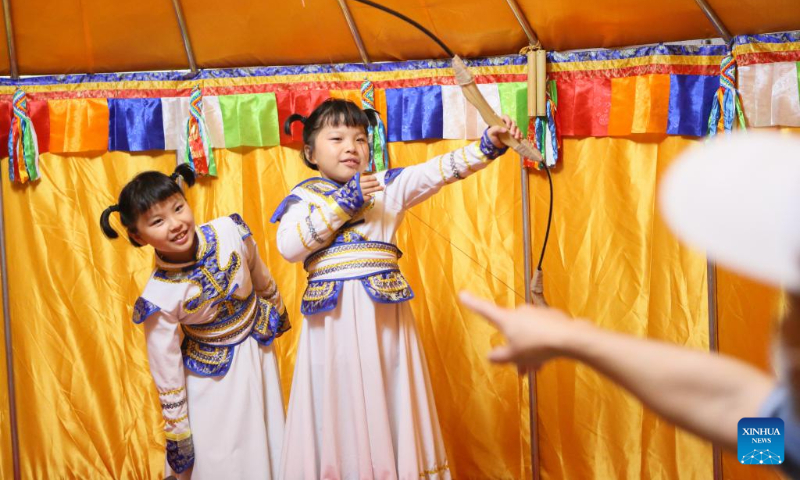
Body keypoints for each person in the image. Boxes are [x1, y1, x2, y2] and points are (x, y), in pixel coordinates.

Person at [460, 132, 800, 477]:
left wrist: (571, 338)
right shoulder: (788, 436)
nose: (785, 327)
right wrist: (571, 337)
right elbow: (734, 409)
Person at [271, 98, 522, 479]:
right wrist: (343, 203)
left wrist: (489, 144)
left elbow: (440, 170)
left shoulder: (387, 186)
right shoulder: (302, 200)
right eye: (336, 138)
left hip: (383, 322)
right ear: (310, 151)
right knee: (335, 404)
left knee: (388, 395)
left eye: (360, 139)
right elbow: (290, 246)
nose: (351, 147)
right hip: (331, 329)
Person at [100, 164, 289, 479]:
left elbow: (256, 267)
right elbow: (166, 368)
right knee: (223, 453)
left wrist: (275, 307)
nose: (175, 224)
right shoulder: (158, 296)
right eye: (157, 221)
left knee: (269, 439)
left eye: (178, 208)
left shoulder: (228, 230)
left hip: (257, 351)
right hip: (211, 378)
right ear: (137, 235)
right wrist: (177, 431)